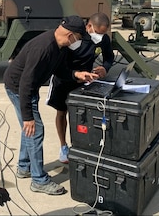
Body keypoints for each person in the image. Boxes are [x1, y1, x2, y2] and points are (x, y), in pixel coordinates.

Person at [3, 15, 99, 195]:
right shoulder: (44, 48)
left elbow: (60, 70)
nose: (79, 42)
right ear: (71, 35)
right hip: (18, 88)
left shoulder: (60, 46)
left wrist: (77, 74)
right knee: (35, 129)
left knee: (30, 130)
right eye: (79, 38)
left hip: (28, 88)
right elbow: (25, 83)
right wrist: (28, 117)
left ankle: (24, 167)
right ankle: (39, 180)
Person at [46, 12, 114, 164]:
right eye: (98, 32)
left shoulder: (103, 40)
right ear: (89, 26)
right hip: (64, 79)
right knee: (62, 112)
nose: (100, 36)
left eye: (103, 33)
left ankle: (83, 145)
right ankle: (63, 146)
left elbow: (109, 57)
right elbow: (58, 65)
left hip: (85, 82)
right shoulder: (74, 38)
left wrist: (105, 68)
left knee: (84, 115)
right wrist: (75, 74)